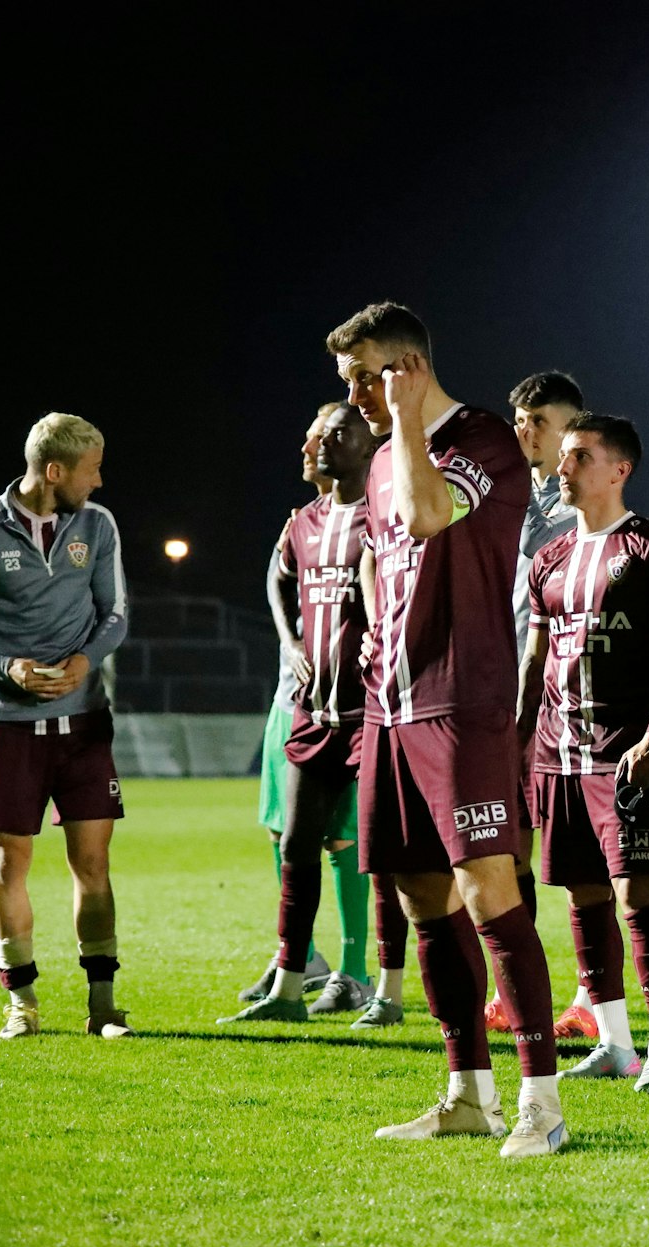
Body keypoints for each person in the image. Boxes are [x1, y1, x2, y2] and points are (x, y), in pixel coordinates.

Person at [329, 301, 566, 1158]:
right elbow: (377, 555)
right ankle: (468, 1089)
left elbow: (430, 517)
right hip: (389, 707)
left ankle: (541, 1099)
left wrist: (404, 424)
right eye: (350, 381)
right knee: (420, 894)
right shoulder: (386, 458)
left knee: (488, 890)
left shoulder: (480, 442)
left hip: (462, 698)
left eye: (366, 376)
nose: (355, 395)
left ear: (408, 368)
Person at [0, 413, 132, 1040]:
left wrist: (84, 661)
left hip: (83, 723)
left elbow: (116, 614)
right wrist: (5, 664)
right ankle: (22, 1005)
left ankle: (103, 1006)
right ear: (55, 471)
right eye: (92, 469)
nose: (99, 482)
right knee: (9, 861)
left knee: (93, 863)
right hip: (9, 724)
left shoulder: (97, 527)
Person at [520, 414, 649, 1091]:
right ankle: (616, 1043)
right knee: (583, 896)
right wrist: (519, 741)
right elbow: (536, 658)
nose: (563, 468)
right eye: (563, 457)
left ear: (618, 469)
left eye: (579, 456)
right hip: (557, 755)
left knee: (638, 896)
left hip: (623, 754)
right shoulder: (550, 557)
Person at [223, 404, 378, 1022]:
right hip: (305, 704)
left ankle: (364, 974)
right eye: (315, 434)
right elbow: (278, 581)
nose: (315, 444)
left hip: (370, 709)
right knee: (290, 838)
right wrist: (290, 642)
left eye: (334, 433)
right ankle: (298, 971)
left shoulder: (387, 517)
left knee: (362, 847)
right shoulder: (306, 522)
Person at [483, 371, 596, 1041]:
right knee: (510, 846)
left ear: (571, 428)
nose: (524, 429)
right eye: (519, 418)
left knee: (579, 857)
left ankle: (590, 994)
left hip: (567, 699)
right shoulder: (501, 497)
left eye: (538, 420)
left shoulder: (585, 499)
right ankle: (516, 991)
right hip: (504, 693)